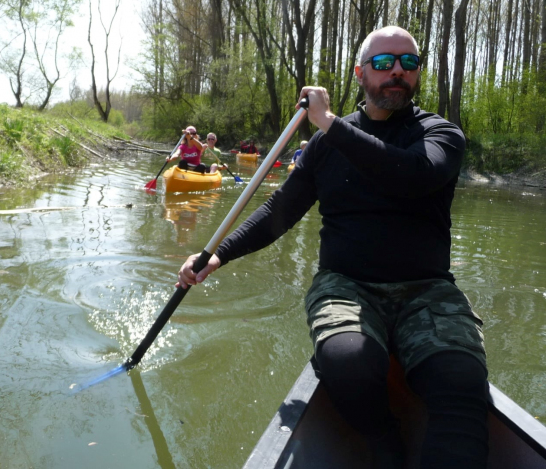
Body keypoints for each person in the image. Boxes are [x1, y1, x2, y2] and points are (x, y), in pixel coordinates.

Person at [175, 26, 487, 469]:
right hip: (347, 285)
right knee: (348, 363)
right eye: (383, 64)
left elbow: (412, 176)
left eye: (408, 63)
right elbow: (280, 211)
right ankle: (383, 439)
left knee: (462, 380)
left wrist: (329, 124)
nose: (397, 72)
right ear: (360, 73)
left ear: (417, 74)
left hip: (427, 290)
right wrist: (216, 255)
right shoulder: (326, 145)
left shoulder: (439, 134)